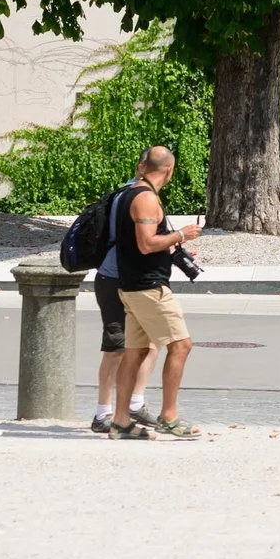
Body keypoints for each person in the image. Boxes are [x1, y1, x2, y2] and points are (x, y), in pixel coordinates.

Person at [109, 146, 201, 440]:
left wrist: (172, 244)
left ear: (141, 165)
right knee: (181, 345)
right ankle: (168, 417)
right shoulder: (147, 198)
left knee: (134, 353)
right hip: (148, 288)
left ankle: (121, 420)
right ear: (169, 170)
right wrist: (181, 235)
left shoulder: (130, 193)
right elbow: (147, 243)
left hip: (132, 286)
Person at [90, 166, 162, 433]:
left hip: (128, 279)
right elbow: (143, 242)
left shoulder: (135, 193)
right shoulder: (135, 196)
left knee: (151, 341)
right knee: (116, 348)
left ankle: (135, 403)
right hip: (115, 278)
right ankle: (102, 414)